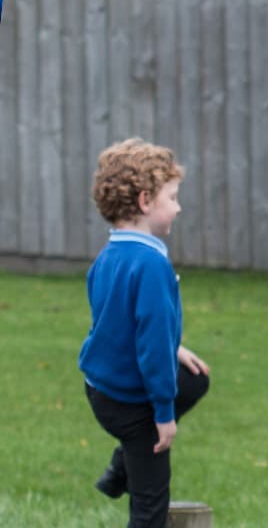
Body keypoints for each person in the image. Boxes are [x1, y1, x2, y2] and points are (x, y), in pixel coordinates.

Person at [81, 138, 211, 528]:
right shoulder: (150, 264)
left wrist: (175, 349)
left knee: (194, 380)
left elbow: (120, 324)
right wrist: (163, 413)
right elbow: (151, 346)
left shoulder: (109, 256)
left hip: (100, 390)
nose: (178, 207)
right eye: (172, 198)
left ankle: (120, 468)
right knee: (150, 506)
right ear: (144, 202)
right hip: (131, 402)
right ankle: (132, 459)